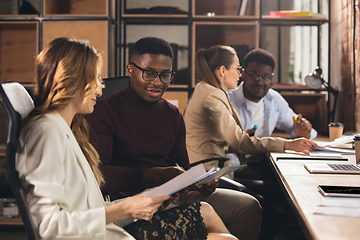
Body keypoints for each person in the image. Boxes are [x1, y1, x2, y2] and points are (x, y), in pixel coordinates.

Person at [16, 37, 237, 240]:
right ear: (72, 81)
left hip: (104, 232)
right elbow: (47, 226)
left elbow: (90, 207)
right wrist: (126, 208)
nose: (100, 90)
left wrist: (144, 199)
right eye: (95, 80)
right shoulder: (45, 133)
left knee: (213, 222)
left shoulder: (66, 130)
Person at [87, 37, 262, 240]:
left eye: (165, 75)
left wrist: (200, 182)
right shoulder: (104, 111)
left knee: (248, 206)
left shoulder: (172, 114)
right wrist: (157, 175)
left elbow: (182, 168)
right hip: (133, 199)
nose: (157, 82)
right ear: (130, 70)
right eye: (149, 73)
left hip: (172, 194)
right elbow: (99, 175)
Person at [183, 45, 318, 239]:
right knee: (277, 210)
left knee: (279, 194)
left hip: (216, 171)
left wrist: (240, 138)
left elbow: (212, 142)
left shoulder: (208, 90)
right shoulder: (214, 95)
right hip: (209, 177)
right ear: (223, 71)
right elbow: (238, 143)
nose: (241, 75)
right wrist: (286, 144)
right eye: (238, 69)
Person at [227, 48, 317, 140]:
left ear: (271, 77)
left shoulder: (274, 99)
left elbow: (297, 128)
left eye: (266, 78)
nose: (259, 82)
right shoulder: (227, 100)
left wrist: (305, 132)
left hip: (262, 154)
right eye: (253, 76)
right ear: (243, 74)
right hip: (234, 154)